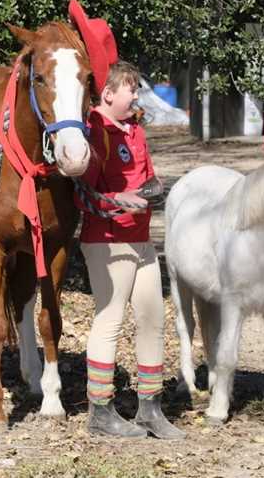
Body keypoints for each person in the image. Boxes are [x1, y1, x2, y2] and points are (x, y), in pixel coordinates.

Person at [76, 60, 184, 440]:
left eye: (136, 89)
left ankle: (150, 409)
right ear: (108, 93)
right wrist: (119, 201)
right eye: (131, 89)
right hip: (106, 240)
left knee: (153, 318)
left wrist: (154, 191)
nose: (137, 95)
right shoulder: (92, 130)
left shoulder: (134, 129)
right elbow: (82, 195)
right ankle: (100, 412)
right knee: (110, 321)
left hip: (141, 239)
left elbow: (147, 176)